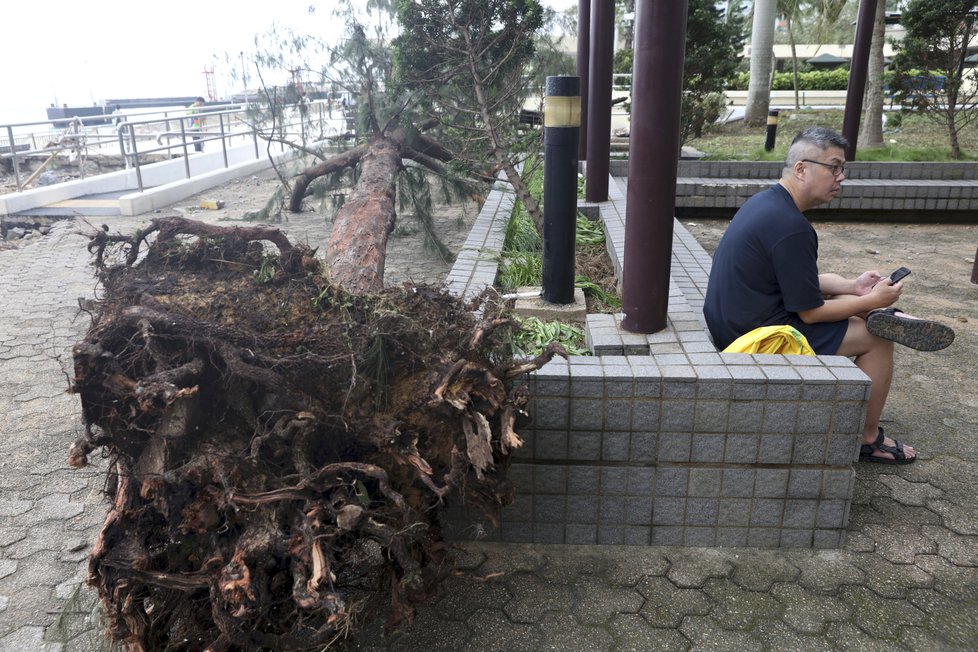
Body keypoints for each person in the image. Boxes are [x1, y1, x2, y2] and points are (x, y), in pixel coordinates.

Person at [703, 126, 954, 465]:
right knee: (876, 338)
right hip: (757, 337)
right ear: (801, 168)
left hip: (740, 319)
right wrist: (871, 301)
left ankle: (883, 316)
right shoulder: (791, 227)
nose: (842, 177)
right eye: (834, 167)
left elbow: (795, 282)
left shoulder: (767, 204)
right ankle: (867, 439)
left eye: (843, 168)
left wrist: (853, 287)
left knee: (856, 310)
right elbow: (810, 314)